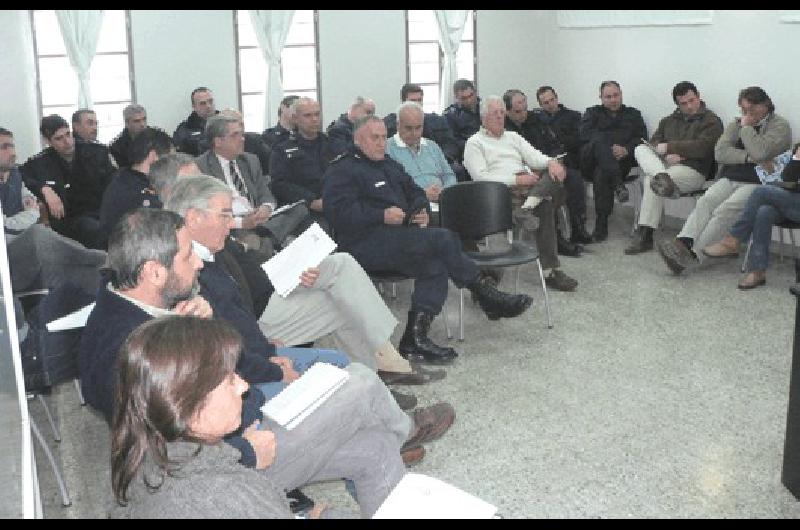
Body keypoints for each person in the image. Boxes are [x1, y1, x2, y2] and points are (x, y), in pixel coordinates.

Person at [81, 209, 453, 481]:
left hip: (239, 428)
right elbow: (163, 445)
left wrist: (200, 326)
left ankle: (387, 437)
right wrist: (245, 449)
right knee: (359, 380)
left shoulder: (137, 307)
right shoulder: (122, 348)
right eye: (186, 255)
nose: (198, 263)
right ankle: (401, 430)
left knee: (374, 452)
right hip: (229, 465)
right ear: (153, 271)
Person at [109, 315, 425, 518]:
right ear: (188, 403)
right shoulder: (225, 497)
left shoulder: (151, 444)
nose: (243, 384)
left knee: (377, 448)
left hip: (245, 467)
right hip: (251, 482)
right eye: (229, 379)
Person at [165, 175, 441, 389]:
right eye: (224, 215)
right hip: (260, 321)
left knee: (341, 273)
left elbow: (250, 272)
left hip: (269, 294)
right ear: (193, 217)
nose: (232, 222)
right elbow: (222, 324)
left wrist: (291, 272)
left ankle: (374, 378)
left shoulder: (212, 245)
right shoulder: (186, 264)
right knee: (343, 295)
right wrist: (262, 344)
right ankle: (382, 366)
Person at [323, 115, 534, 365]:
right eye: (375, 138)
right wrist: (379, 215)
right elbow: (337, 214)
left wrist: (419, 210)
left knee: (434, 264)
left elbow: (414, 192)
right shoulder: (342, 169)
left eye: (383, 137)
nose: (382, 143)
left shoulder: (387, 163)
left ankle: (414, 339)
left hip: (398, 239)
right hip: (363, 244)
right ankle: (486, 294)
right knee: (443, 239)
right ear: (358, 140)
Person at [657, 86, 792, 275]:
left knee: (725, 209)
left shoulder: (780, 126)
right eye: (744, 110)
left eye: (751, 110)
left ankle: (692, 256)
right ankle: (683, 241)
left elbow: (761, 150)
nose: (746, 114)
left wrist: (746, 129)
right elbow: (720, 153)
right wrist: (748, 158)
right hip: (731, 176)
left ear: (765, 105)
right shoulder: (737, 123)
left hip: (759, 183)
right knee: (706, 201)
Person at [464, 96, 579, 291]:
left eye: (502, 112)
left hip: (528, 191)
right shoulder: (475, 143)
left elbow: (535, 157)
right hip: (499, 196)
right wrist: (516, 180)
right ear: (483, 118)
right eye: (495, 113)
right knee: (544, 205)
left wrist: (552, 163)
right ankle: (546, 268)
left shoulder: (513, 137)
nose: (500, 117)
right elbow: (481, 178)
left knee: (556, 173)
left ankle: (527, 211)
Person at [0, 127, 106, 295]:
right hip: (5, 257)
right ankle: (94, 256)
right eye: (4, 147)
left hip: (27, 252)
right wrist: (29, 215)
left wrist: (30, 213)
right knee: (37, 233)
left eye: (12, 146)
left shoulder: (14, 174)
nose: (12, 152)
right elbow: (5, 227)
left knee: (88, 274)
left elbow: (31, 204)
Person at [625, 81, 724, 255]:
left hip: (694, 170)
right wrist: (664, 155)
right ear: (677, 104)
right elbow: (654, 143)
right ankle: (661, 176)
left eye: (692, 100)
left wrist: (670, 148)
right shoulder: (668, 121)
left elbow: (704, 147)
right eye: (684, 103)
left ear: (698, 96)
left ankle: (645, 235)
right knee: (640, 149)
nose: (690, 106)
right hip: (667, 167)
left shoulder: (712, 121)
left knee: (651, 180)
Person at [195, 110, 307, 254]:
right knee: (245, 239)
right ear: (218, 141)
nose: (242, 139)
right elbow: (208, 212)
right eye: (235, 135)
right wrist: (242, 222)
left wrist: (266, 207)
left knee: (300, 209)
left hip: (258, 217)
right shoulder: (201, 167)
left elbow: (265, 193)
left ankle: (268, 239)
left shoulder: (250, 160)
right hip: (233, 223)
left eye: (242, 134)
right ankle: (272, 241)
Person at [702, 143, 800, 289]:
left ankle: (733, 239)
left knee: (761, 192)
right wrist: (797, 158)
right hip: (790, 202)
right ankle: (757, 271)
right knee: (764, 212)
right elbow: (787, 178)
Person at [503, 88, 586, 256]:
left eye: (525, 108)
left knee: (574, 178)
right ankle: (556, 238)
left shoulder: (538, 120)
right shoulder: (504, 129)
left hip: (546, 164)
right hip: (523, 171)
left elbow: (554, 143)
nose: (523, 114)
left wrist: (556, 159)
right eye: (518, 111)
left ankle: (578, 227)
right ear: (508, 111)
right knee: (551, 189)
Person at [21, 114, 116, 249]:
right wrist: (45, 189)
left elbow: (114, 181)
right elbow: (22, 175)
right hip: (69, 222)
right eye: (59, 138)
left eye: (68, 134)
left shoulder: (97, 152)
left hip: (101, 212)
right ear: (48, 141)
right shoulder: (40, 163)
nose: (67, 142)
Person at [579, 80, 647, 242]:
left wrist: (626, 150)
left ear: (621, 94)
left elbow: (642, 138)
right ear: (601, 98)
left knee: (602, 172)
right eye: (608, 97)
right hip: (590, 161)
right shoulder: (592, 113)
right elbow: (584, 135)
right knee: (599, 139)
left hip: (620, 161)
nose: (613, 99)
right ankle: (618, 184)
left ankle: (601, 223)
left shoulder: (633, 114)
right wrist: (610, 145)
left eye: (616, 95)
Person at [269, 97, 340, 234]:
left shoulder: (332, 144)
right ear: (295, 118)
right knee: (321, 232)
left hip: (336, 203)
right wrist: (310, 200)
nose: (314, 119)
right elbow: (279, 184)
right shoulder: (283, 149)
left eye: (317, 114)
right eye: (308, 115)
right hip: (304, 209)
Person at [535, 86, 592, 245]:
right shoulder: (537, 120)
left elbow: (579, 140)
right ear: (541, 105)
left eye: (552, 100)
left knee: (574, 178)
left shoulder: (574, 116)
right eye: (545, 103)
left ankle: (578, 227)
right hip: (546, 160)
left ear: (557, 98)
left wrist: (557, 139)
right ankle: (557, 231)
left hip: (569, 159)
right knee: (555, 179)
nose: (550, 104)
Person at [98, 127, 174, 247]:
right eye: (170, 158)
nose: (172, 165)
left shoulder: (124, 177)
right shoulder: (140, 194)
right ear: (154, 156)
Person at [386, 101, 456, 215]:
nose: (414, 133)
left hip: (443, 201)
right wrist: (422, 194)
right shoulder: (387, 149)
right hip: (414, 207)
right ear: (398, 125)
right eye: (408, 128)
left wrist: (444, 191)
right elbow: (391, 187)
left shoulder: (432, 146)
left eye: (418, 128)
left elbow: (449, 175)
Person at [384, 83, 461, 174]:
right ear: (403, 102)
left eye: (419, 100)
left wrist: (438, 159)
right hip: (406, 164)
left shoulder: (437, 121)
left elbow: (450, 145)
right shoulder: (391, 123)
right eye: (413, 100)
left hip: (435, 162)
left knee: (457, 170)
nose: (417, 104)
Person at [443, 79, 481, 169]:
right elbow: (453, 141)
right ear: (456, 97)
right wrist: (474, 145)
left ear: (475, 92)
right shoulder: (451, 115)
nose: (469, 100)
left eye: (471, 95)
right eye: (464, 98)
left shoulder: (486, 107)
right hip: (468, 153)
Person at [173, 86, 218, 155]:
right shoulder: (185, 129)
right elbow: (179, 155)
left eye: (210, 101)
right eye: (203, 103)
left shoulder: (226, 123)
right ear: (194, 107)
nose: (208, 106)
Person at [109, 104, 149, 168]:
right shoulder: (117, 148)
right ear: (127, 123)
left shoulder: (153, 137)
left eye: (144, 119)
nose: (142, 124)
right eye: (137, 121)